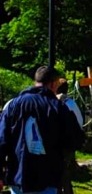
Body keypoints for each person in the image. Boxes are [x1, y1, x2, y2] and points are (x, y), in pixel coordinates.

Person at [0, 66, 85, 194]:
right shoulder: (58, 107)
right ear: (53, 84)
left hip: (19, 174)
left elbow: (2, 140)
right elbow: (75, 140)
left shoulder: (13, 105)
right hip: (48, 176)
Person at [57, 78, 84, 194]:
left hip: (59, 144)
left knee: (59, 175)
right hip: (70, 143)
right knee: (66, 175)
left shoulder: (56, 104)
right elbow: (80, 122)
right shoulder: (72, 103)